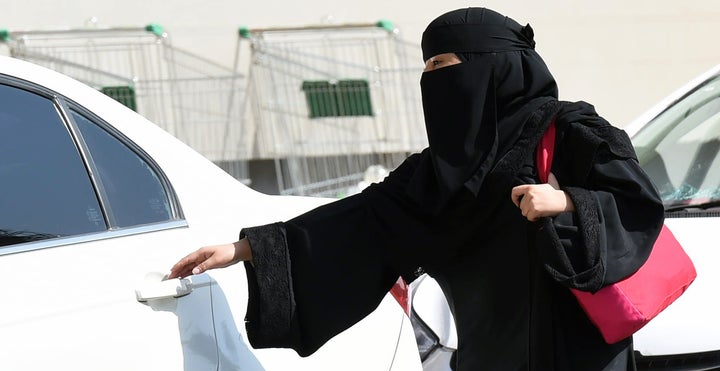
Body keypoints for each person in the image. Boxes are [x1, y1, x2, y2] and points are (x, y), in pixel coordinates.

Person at [169, 7, 664, 370]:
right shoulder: (438, 170)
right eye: (425, 68)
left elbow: (636, 203)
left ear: (491, 64)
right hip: (485, 356)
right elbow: (363, 219)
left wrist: (567, 203)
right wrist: (247, 248)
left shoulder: (572, 129)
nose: (429, 80)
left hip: (576, 354)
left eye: (442, 66)